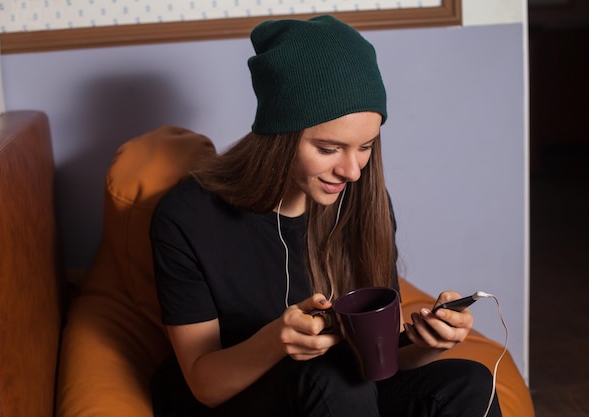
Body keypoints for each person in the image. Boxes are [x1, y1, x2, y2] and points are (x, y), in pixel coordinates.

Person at [150, 14, 501, 417]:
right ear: (278, 137)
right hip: (238, 402)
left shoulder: (363, 203)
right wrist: (275, 340)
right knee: (331, 378)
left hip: (344, 399)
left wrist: (426, 344)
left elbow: (379, 368)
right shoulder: (188, 217)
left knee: (470, 384)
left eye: (366, 146)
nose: (352, 172)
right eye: (329, 149)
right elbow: (204, 384)